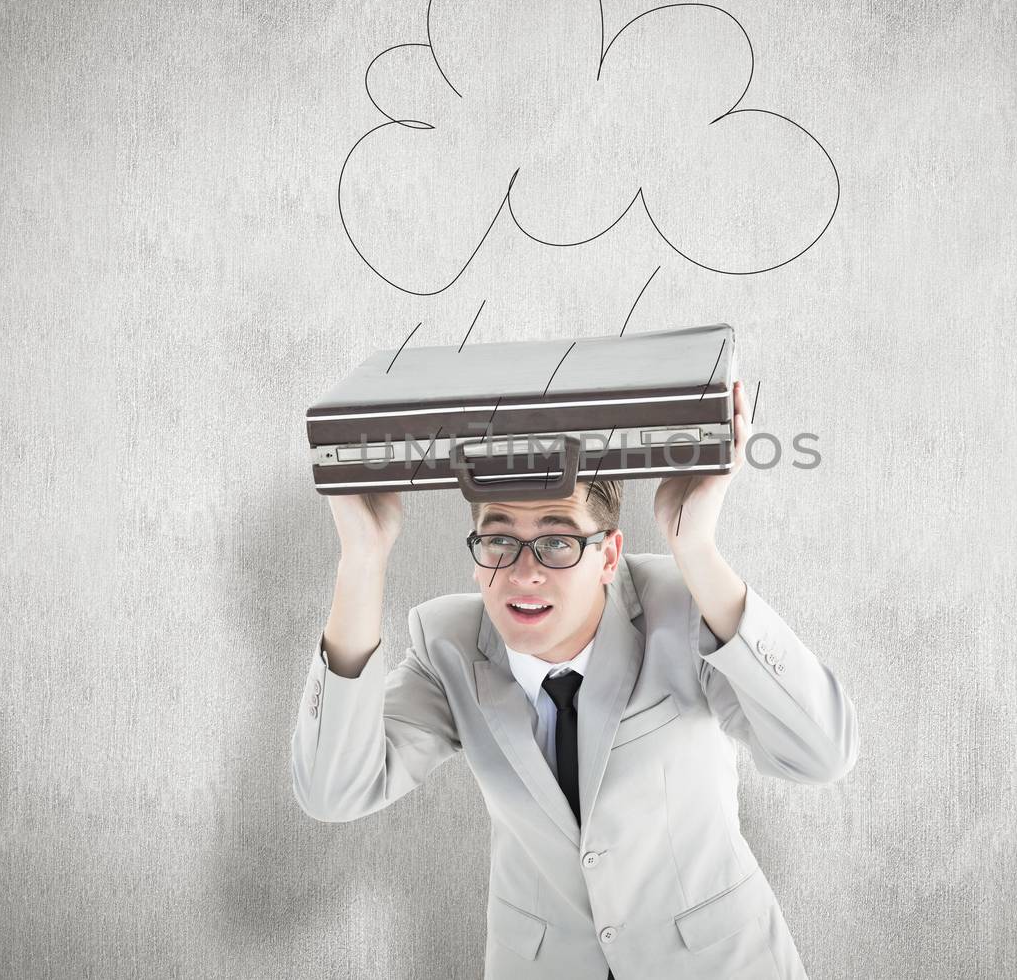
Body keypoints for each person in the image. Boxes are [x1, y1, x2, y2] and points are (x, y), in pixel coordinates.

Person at [291, 379, 858, 979]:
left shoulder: (684, 607)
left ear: (609, 557)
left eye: (558, 541)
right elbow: (335, 791)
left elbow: (822, 754)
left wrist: (698, 550)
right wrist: (362, 557)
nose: (523, 572)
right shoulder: (449, 644)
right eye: (499, 539)